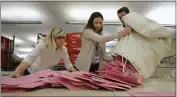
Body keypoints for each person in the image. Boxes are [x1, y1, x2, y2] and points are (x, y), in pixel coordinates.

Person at [10, 27, 76, 78]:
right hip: (31, 72)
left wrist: (76, 72)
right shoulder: (42, 44)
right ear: (52, 38)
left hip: (45, 74)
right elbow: (29, 59)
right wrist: (17, 71)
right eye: (59, 37)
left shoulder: (63, 49)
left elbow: (68, 65)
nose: (62, 40)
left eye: (64, 37)